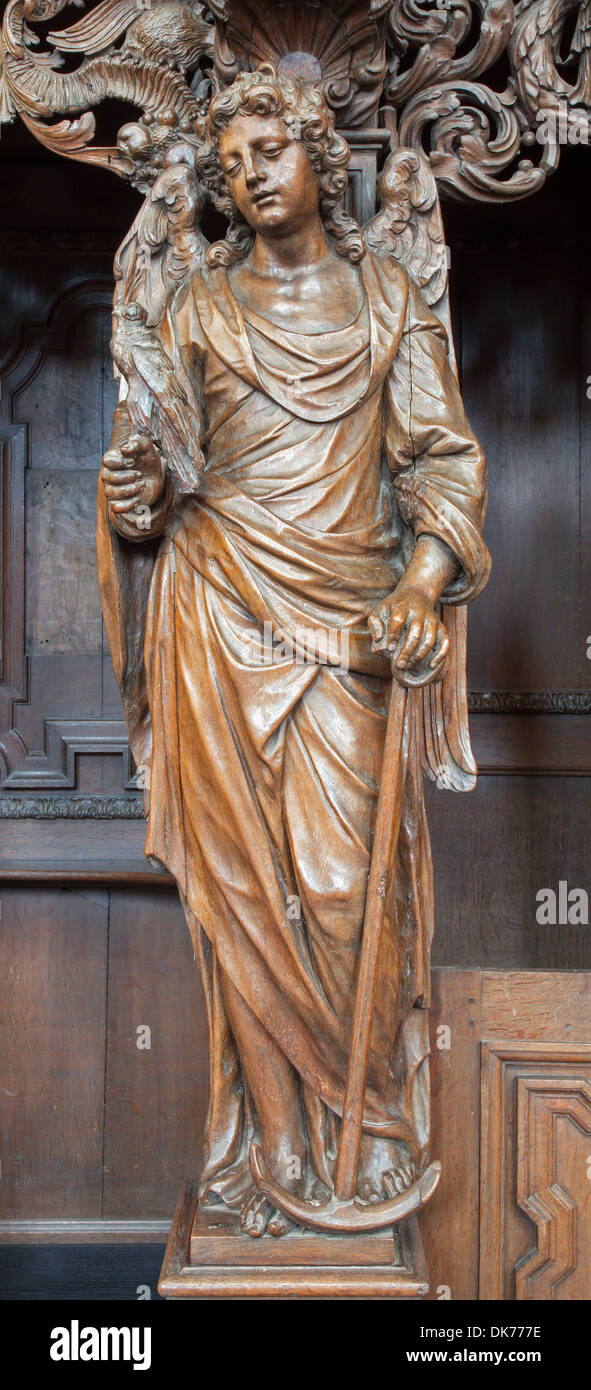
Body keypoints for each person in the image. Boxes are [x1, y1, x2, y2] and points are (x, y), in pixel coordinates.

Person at [98, 65, 490, 1238]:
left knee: (336, 890)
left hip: (346, 633)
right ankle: (276, 1143)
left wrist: (424, 582)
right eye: (230, 166)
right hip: (215, 615)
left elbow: (443, 464)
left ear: (321, 152)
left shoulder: (388, 305)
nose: (248, 177)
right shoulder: (197, 307)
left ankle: (360, 1123)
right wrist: (133, 497)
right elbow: (157, 469)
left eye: (268, 152)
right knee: (239, 900)